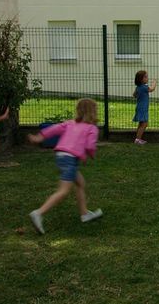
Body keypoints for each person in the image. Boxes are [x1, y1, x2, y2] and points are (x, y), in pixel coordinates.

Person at [27, 98, 102, 235]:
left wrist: (39, 137)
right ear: (93, 112)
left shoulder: (69, 123)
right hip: (70, 159)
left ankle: (84, 213)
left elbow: (52, 130)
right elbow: (90, 146)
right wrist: (90, 154)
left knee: (80, 183)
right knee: (63, 191)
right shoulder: (92, 128)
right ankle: (39, 213)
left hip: (61, 156)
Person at [133, 70, 157, 145]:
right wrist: (154, 83)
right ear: (141, 79)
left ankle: (138, 138)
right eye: (146, 77)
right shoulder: (144, 87)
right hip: (143, 108)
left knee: (141, 123)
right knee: (144, 124)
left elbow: (134, 95)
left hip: (139, 107)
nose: (147, 78)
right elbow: (152, 89)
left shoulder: (138, 87)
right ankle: (138, 139)